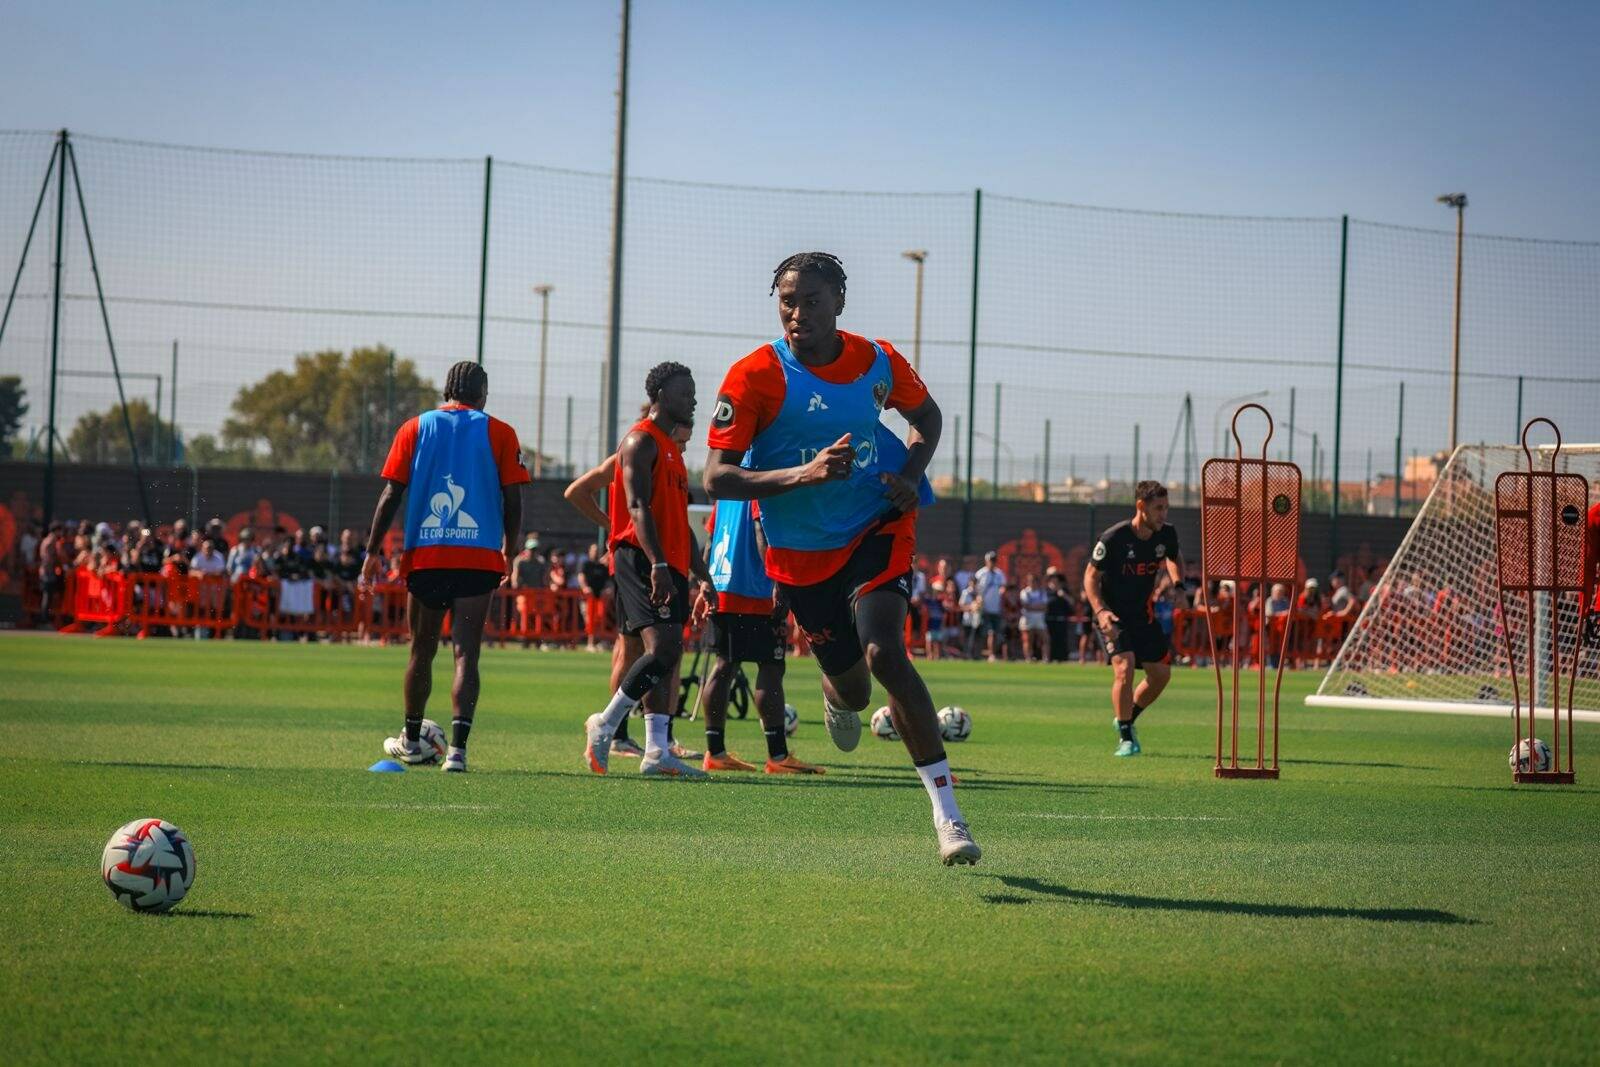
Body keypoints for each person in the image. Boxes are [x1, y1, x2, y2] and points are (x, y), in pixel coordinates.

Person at [702, 250, 980, 866]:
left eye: (812, 301)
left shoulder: (878, 360)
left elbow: (927, 418)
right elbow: (717, 478)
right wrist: (805, 473)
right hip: (802, 553)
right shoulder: (753, 376)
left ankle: (948, 815)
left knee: (885, 651)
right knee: (855, 691)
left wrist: (910, 473)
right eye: (787, 302)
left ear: (840, 302)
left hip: (878, 521)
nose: (797, 314)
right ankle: (835, 692)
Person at [362, 361, 528, 773]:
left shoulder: (414, 427)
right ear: (482, 393)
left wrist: (371, 551)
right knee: (466, 654)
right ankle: (457, 752)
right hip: (479, 556)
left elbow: (390, 494)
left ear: (446, 390)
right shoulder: (501, 432)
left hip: (427, 554)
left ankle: (413, 740)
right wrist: (511, 546)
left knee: (421, 649)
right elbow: (514, 498)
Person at [582, 361, 716, 779]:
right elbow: (637, 507)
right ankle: (605, 723)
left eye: (694, 392)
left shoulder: (673, 450)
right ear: (660, 396)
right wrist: (657, 561)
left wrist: (703, 577)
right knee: (660, 649)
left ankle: (657, 751)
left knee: (669, 652)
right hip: (641, 558)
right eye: (684, 392)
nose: (692, 399)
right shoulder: (641, 441)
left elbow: (680, 525)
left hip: (668, 562)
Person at [698, 496, 824, 774]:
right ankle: (778, 756)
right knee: (771, 666)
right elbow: (760, 530)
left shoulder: (724, 490)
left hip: (722, 584)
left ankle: (715, 752)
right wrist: (778, 581)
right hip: (756, 591)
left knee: (724, 666)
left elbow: (709, 540)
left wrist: (704, 582)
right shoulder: (757, 480)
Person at [1083, 480, 1183, 757]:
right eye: (1158, 508)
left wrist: (1178, 586)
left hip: (1143, 615)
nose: (1164, 514)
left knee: (1161, 675)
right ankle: (1126, 737)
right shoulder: (1114, 538)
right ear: (1141, 507)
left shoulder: (1166, 534)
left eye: (1166, 508)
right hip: (1112, 616)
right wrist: (1101, 612)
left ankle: (1126, 718)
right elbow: (1090, 577)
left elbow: (1174, 557)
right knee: (1124, 667)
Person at [973, 551, 1006, 661]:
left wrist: (1001, 593)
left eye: (994, 560)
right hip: (983, 608)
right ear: (986, 561)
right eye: (990, 560)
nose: (992, 562)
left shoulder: (999, 574)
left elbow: (1003, 588)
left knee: (993, 633)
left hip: (995, 608)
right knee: (981, 633)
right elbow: (974, 589)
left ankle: (991, 654)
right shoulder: (980, 574)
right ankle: (977, 654)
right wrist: (978, 600)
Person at [579, 543, 610, 652]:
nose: (595, 552)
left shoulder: (602, 566)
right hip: (589, 598)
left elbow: (607, 581)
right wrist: (585, 588)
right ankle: (590, 643)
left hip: (599, 597)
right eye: (593, 550)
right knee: (589, 620)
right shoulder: (586, 564)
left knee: (599, 620)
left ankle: (599, 642)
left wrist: (606, 590)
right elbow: (581, 577)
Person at [1019, 571, 1049, 662]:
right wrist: (1037, 606)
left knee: (1045, 639)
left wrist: (1033, 606)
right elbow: (1026, 606)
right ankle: (1028, 658)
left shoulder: (1042, 592)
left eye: (1034, 581)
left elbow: (1044, 607)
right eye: (1030, 581)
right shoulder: (1024, 592)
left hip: (1039, 619)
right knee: (1028, 639)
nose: (1032, 583)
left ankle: (1046, 658)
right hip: (1028, 619)